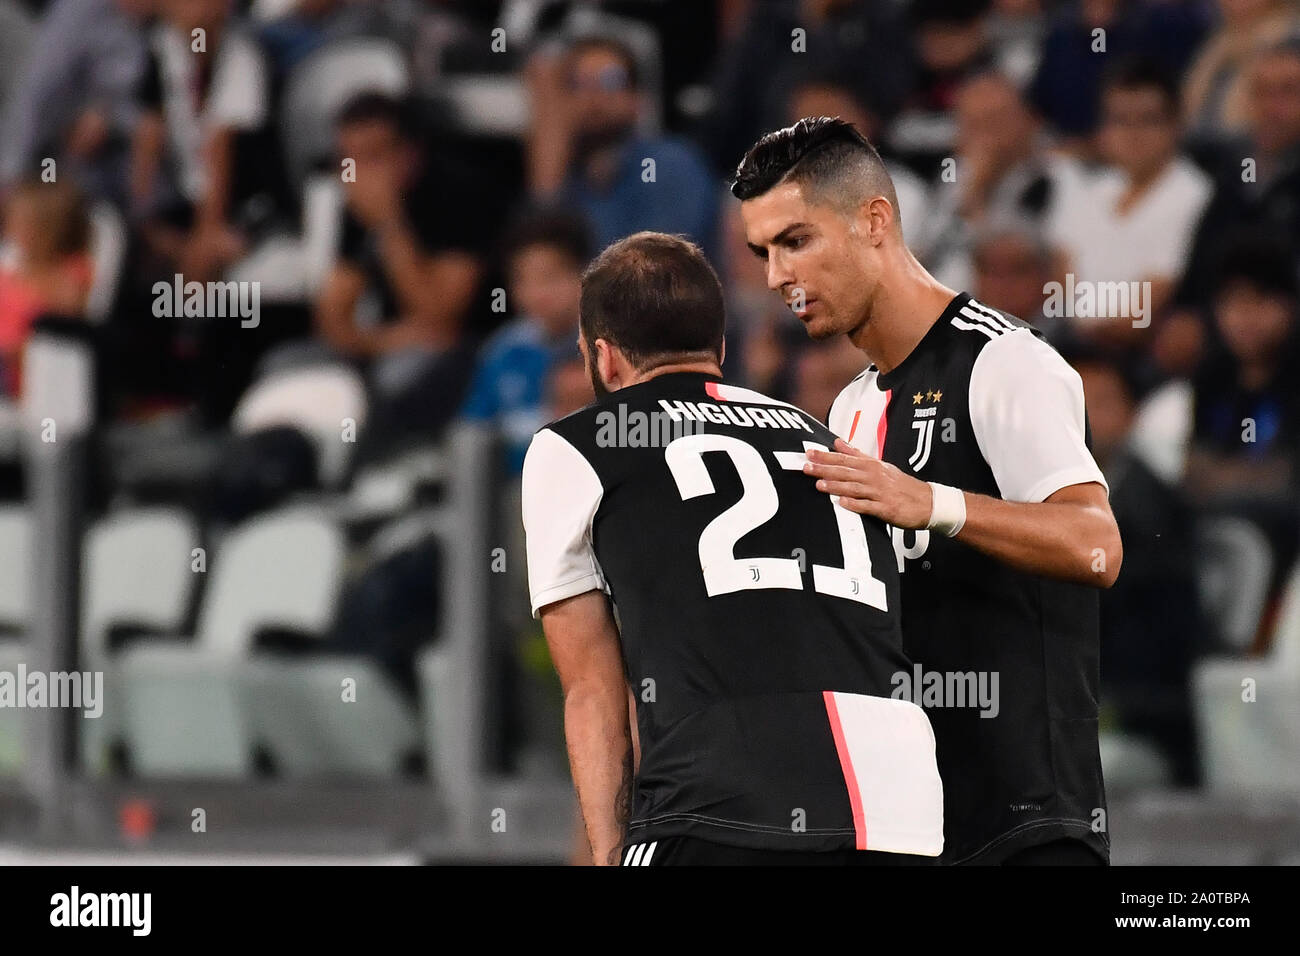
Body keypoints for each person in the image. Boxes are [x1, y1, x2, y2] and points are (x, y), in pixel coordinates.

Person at [735, 117, 1122, 866]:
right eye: (761, 253)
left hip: (1027, 824)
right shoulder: (850, 407)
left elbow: (1097, 545)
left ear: (874, 220)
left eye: (795, 241)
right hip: (909, 822)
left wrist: (932, 503)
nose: (776, 276)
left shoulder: (1004, 362)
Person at [522, 232, 942, 866]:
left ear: (605, 360)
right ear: (718, 347)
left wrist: (609, 854)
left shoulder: (572, 446)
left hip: (718, 796)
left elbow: (594, 691)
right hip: (895, 804)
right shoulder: (827, 439)